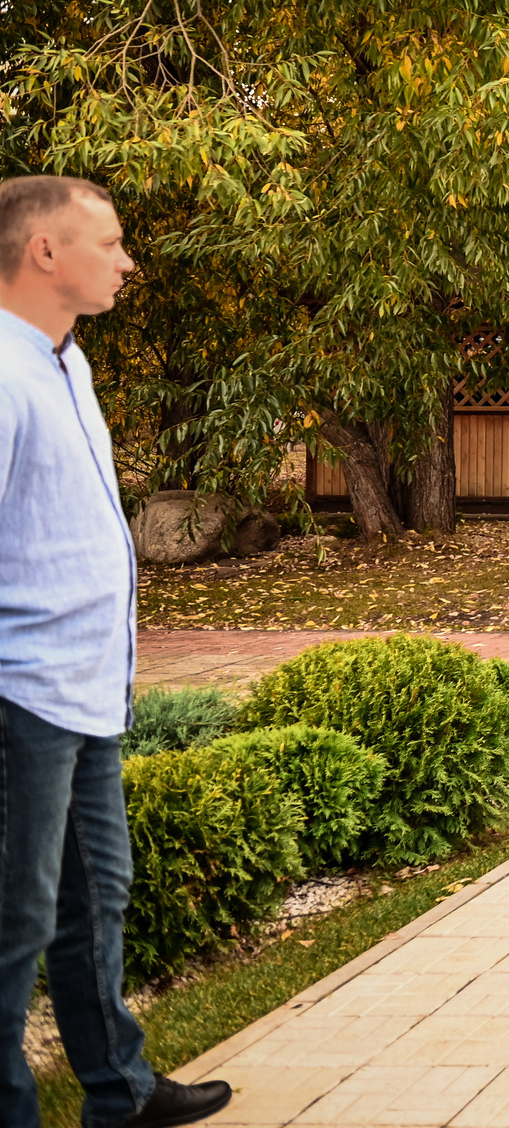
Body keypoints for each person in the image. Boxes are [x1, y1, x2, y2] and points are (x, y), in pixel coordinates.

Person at [0, 176, 232, 1128]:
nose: (128, 260)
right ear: (44, 251)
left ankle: (120, 1087)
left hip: (89, 690)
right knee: (12, 927)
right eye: (112, 241)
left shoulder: (67, 364)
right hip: (23, 695)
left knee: (96, 897)